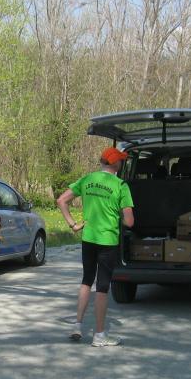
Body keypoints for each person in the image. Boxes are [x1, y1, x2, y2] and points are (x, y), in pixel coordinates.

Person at [56, 146, 134, 346]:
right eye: (121, 160)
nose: (122, 163)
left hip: (88, 238)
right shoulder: (121, 185)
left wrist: (73, 225)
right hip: (107, 241)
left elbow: (61, 200)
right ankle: (99, 335)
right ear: (116, 163)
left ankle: (77, 325)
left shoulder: (87, 179)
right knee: (102, 287)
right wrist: (118, 213)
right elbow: (129, 222)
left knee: (86, 280)